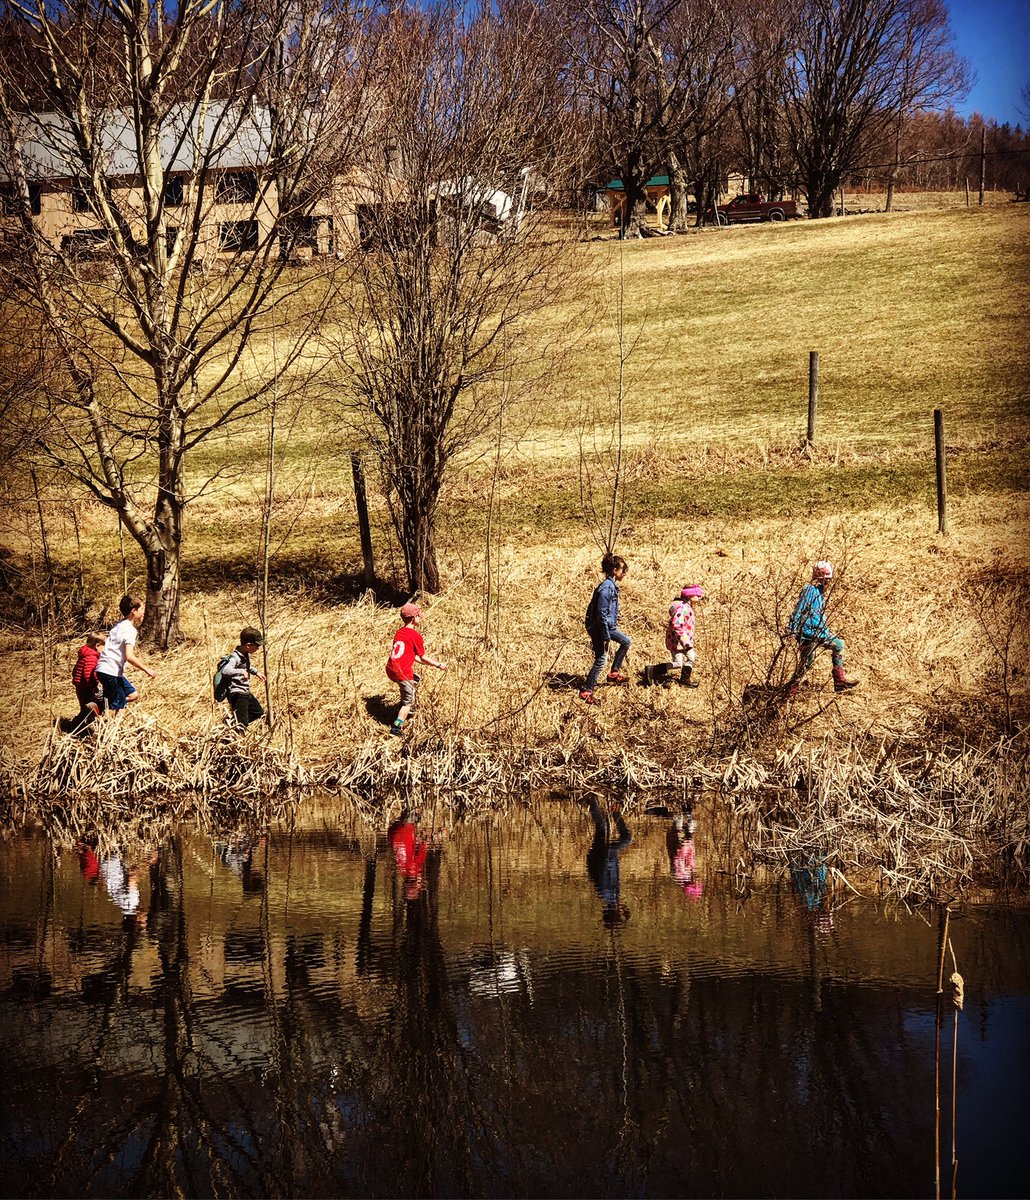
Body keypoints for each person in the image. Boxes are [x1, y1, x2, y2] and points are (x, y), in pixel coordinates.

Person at [787, 561, 858, 694]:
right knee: (807, 661)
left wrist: (824, 630)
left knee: (838, 645)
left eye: (830, 579)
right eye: (826, 579)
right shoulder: (809, 590)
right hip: (808, 633)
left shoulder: (819, 592)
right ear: (819, 577)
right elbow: (799, 610)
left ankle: (840, 682)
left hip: (819, 633)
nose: (829, 582)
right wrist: (793, 629)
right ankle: (791, 689)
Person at [386, 602, 447, 737]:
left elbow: (411, 655)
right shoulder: (415, 635)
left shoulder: (400, 633)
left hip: (391, 668)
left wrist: (426, 664)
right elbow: (422, 657)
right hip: (402, 672)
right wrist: (438, 664)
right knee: (408, 703)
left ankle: (407, 700)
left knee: (415, 679)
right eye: (419, 616)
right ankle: (396, 727)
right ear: (414, 618)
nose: (420, 619)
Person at [580, 553, 631, 704]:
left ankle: (613, 674)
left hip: (606, 625)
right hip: (600, 628)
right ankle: (586, 691)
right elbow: (600, 614)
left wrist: (614, 617)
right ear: (615, 570)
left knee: (626, 642)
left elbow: (605, 610)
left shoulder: (610, 586)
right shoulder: (607, 588)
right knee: (601, 659)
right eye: (622, 570)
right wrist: (605, 636)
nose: (624, 573)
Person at [95, 594, 156, 713]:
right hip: (111, 671)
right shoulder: (130, 630)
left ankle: (103, 704)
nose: (143, 612)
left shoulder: (119, 624)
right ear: (134, 611)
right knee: (120, 707)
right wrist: (147, 669)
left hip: (104, 669)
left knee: (132, 694)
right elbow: (129, 656)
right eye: (142, 609)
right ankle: (109, 714)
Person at [585, 795, 633, 925]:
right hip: (600, 856)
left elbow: (603, 871)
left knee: (626, 838)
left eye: (623, 910)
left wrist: (609, 854)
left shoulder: (608, 894)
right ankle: (593, 800)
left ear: (617, 911)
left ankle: (605, 806)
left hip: (603, 855)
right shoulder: (613, 896)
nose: (624, 906)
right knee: (602, 826)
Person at [647, 584, 704, 688]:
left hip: (677, 640)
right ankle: (684, 680)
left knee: (678, 663)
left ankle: (653, 670)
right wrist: (686, 642)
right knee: (691, 657)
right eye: (697, 595)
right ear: (690, 596)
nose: (700, 598)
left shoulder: (685, 606)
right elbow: (677, 625)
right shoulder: (683, 608)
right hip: (679, 641)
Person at [59, 631, 106, 734]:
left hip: (81, 687)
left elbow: (75, 671)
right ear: (97, 646)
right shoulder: (91, 658)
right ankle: (83, 722)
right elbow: (88, 674)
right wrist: (94, 685)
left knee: (84, 709)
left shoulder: (84, 655)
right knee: (93, 704)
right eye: (104, 647)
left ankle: (78, 724)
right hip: (86, 688)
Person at [220, 627, 267, 728]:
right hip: (237, 693)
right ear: (248, 645)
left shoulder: (244, 654)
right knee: (242, 724)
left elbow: (246, 666)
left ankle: (232, 723)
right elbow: (225, 670)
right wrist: (241, 672)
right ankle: (234, 727)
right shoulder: (235, 657)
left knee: (258, 712)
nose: (258, 648)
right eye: (257, 646)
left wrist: (256, 672)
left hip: (245, 691)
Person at [666, 810, 703, 900]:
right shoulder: (690, 873)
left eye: (696, 882)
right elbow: (692, 854)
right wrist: (689, 842)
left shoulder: (679, 875)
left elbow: (677, 856)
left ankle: (678, 812)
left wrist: (685, 843)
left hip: (677, 842)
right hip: (684, 843)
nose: (697, 880)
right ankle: (687, 812)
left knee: (679, 824)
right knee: (691, 826)